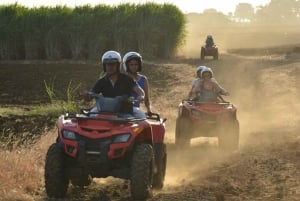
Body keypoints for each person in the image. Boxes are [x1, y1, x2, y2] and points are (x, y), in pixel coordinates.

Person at [85, 50, 145, 116]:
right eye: (108, 64)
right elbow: (91, 95)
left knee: (142, 116)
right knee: (91, 115)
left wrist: (141, 96)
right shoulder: (101, 82)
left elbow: (140, 91)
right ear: (104, 66)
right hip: (105, 111)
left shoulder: (127, 79)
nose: (110, 67)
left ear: (118, 65)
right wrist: (87, 96)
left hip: (125, 112)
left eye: (113, 64)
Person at [123, 51, 152, 118]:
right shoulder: (123, 79)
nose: (134, 67)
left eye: (136, 64)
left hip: (136, 110)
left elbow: (146, 99)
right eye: (131, 65)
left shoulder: (143, 79)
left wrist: (149, 110)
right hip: (124, 110)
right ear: (126, 65)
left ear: (139, 65)